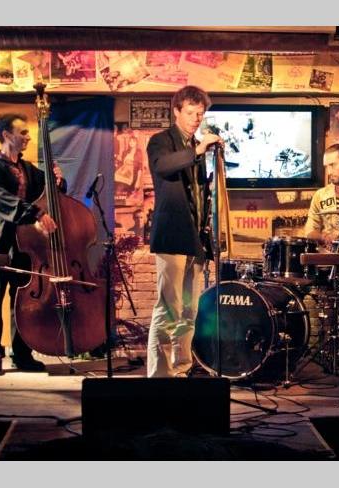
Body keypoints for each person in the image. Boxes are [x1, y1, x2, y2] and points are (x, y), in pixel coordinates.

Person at [0, 113, 65, 371]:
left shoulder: (27, 169)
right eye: (23, 132)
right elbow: (1, 200)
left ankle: (22, 355)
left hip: (24, 246)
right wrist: (36, 213)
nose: (28, 137)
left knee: (21, 302)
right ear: (6, 135)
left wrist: (57, 181)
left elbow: (47, 191)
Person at [146, 85, 223, 378]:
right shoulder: (161, 141)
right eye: (190, 113)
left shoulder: (195, 146)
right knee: (169, 309)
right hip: (172, 238)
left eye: (200, 114)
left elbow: (199, 196)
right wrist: (198, 150)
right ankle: (160, 376)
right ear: (176, 111)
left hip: (196, 241)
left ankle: (181, 370)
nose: (196, 119)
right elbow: (162, 166)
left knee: (189, 312)